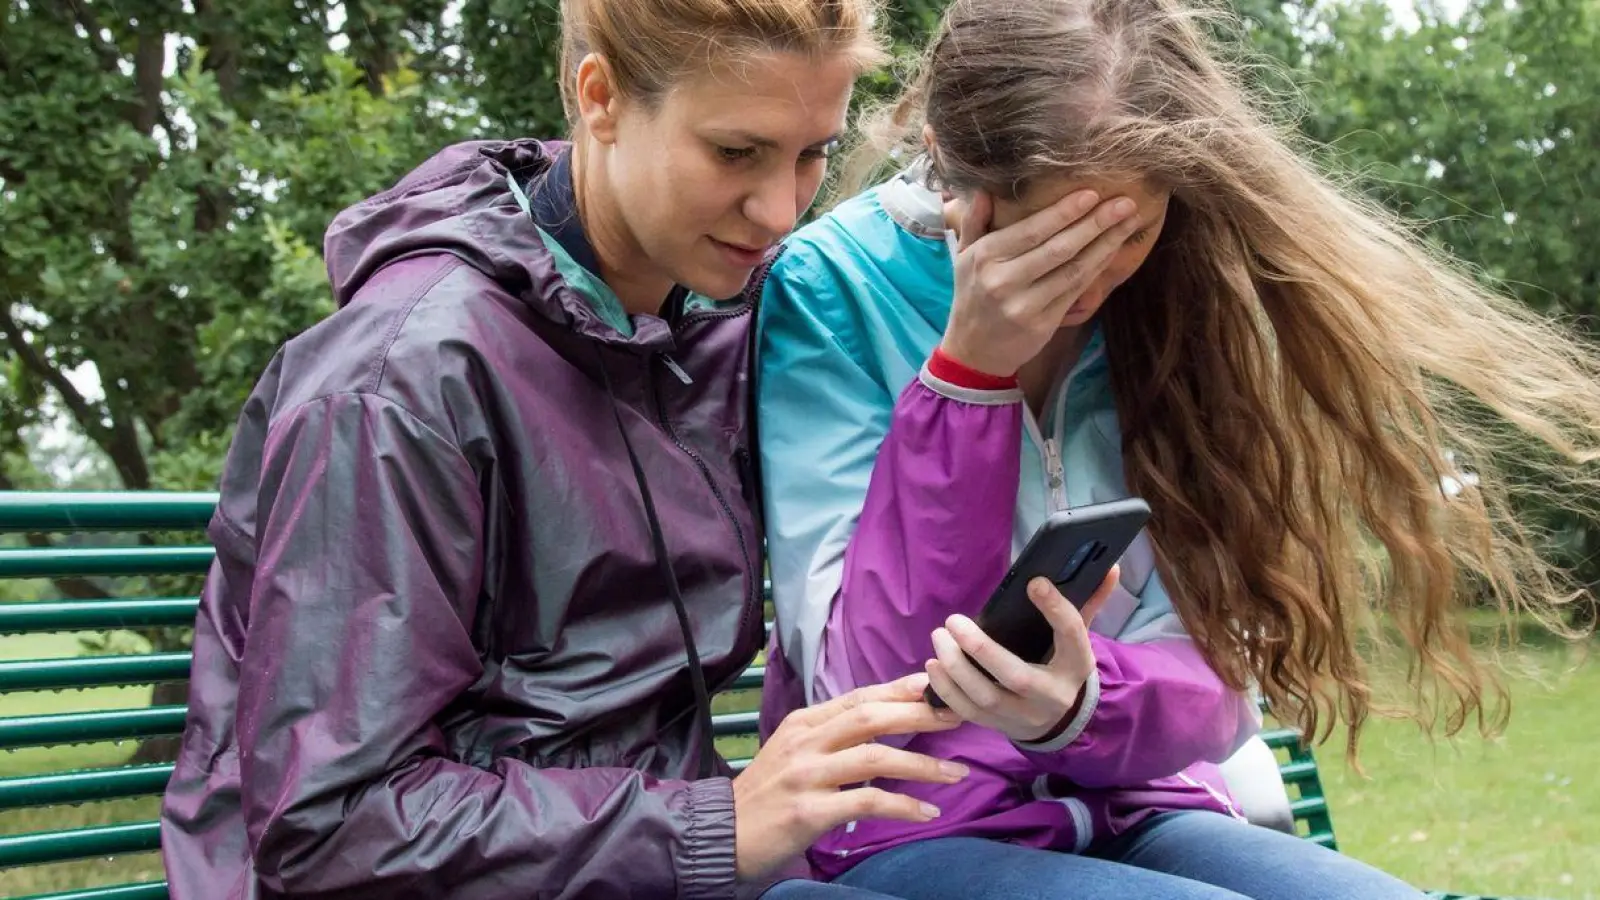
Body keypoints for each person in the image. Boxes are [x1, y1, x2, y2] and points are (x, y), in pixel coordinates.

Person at [756, 0, 1600, 898]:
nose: (1092, 277)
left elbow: (1224, 680)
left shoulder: (1171, 304)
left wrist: (1086, 704)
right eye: (1055, 237)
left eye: (1126, 233)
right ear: (947, 165)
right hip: (907, 828)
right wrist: (968, 375)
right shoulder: (832, 287)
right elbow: (864, 688)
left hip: (1143, 802)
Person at [159, 2, 974, 898]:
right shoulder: (400, 380)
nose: (781, 209)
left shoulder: (714, 321)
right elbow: (331, 826)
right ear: (602, 99)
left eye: (812, 153)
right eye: (736, 152)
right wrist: (712, 825)